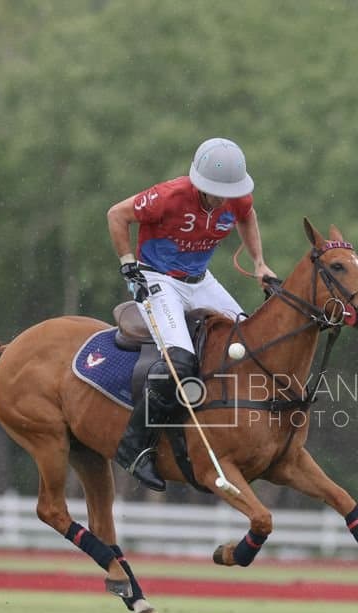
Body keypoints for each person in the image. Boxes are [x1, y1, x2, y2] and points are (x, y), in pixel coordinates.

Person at [107, 137, 276, 491]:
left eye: (228, 193)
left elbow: (247, 216)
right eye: (216, 192)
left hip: (201, 280)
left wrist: (259, 263)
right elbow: (117, 215)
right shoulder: (169, 195)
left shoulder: (237, 197)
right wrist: (128, 267)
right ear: (199, 183)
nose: (223, 199)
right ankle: (133, 447)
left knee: (252, 343)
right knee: (180, 361)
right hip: (159, 278)